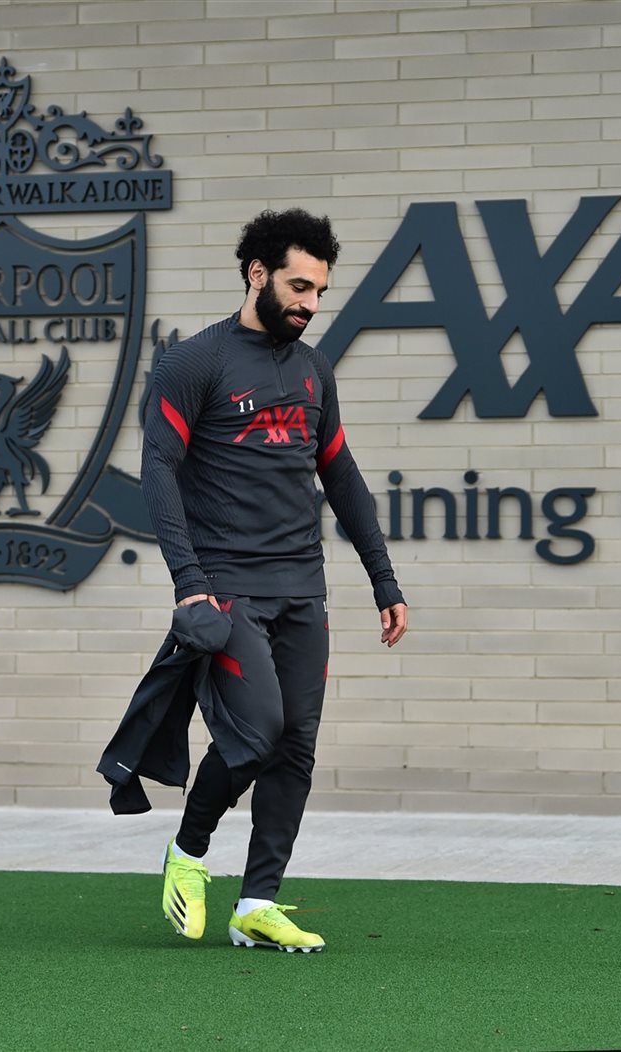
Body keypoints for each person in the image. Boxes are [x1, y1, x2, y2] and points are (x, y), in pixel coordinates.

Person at [138, 208, 408, 952]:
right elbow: (157, 469)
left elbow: (342, 476)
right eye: (298, 287)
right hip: (227, 586)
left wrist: (384, 580)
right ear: (257, 273)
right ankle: (188, 853)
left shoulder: (314, 371)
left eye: (319, 291)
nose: (310, 304)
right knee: (257, 732)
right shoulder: (194, 363)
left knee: (297, 746)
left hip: (302, 588)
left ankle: (257, 903)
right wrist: (187, 581)